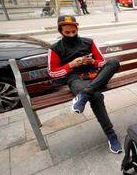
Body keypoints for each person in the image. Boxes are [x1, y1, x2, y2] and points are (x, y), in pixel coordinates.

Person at [47, 15, 122, 154]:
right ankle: (111, 135)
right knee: (97, 96)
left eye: (73, 32)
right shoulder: (55, 48)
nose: (71, 35)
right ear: (60, 31)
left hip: (95, 76)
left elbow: (102, 62)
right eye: (67, 32)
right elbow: (52, 72)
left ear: (77, 28)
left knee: (114, 62)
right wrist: (71, 65)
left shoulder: (88, 42)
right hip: (75, 79)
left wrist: (92, 62)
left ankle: (84, 95)